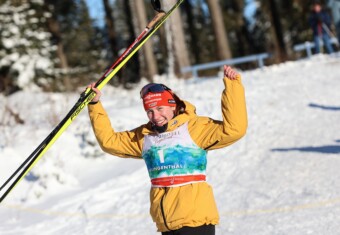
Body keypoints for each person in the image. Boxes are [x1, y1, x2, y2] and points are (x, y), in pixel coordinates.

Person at [86, 65, 247, 235]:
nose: (156, 116)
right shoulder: (145, 136)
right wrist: (94, 104)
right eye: (150, 111)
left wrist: (233, 87)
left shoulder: (194, 128)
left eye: (160, 109)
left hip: (195, 222)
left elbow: (234, 129)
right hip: (166, 224)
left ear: (172, 106)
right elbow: (109, 142)